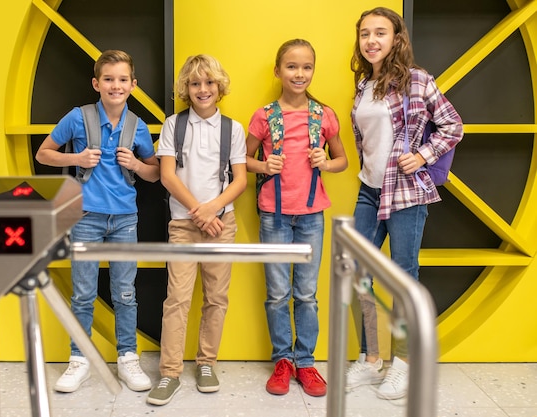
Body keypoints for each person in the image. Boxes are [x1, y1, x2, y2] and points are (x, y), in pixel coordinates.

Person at [345, 7, 463, 400]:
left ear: (397, 38)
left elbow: (453, 125)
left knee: (402, 278)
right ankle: (371, 357)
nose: (371, 41)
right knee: (356, 271)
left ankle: (404, 364)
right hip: (369, 189)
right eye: (365, 34)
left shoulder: (416, 81)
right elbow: (366, 142)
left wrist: (424, 155)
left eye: (380, 33)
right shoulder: (362, 85)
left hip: (406, 194)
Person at [36, 49, 160, 393]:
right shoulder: (78, 118)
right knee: (83, 294)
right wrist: (76, 156)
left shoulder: (137, 127)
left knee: (125, 292)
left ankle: (127, 358)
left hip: (125, 220)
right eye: (108, 79)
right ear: (96, 83)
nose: (115, 85)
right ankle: (79, 360)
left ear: (133, 85)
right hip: (85, 217)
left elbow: (154, 174)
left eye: (122, 80)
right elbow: (43, 153)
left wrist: (136, 166)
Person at [245, 39, 348, 397]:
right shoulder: (263, 115)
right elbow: (243, 161)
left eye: (306, 67)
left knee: (307, 293)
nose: (299, 73)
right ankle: (282, 360)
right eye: (291, 66)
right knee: (277, 293)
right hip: (273, 215)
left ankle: (305, 362)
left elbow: (343, 160)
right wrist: (263, 164)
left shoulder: (324, 115)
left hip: (311, 216)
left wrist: (325, 162)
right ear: (278, 71)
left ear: (313, 71)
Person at [146, 54, 247, 406]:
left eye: (208, 83)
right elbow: (168, 175)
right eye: (194, 84)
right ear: (185, 89)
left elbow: (241, 180)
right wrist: (198, 212)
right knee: (178, 299)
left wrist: (213, 209)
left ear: (219, 87)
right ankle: (170, 372)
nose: (202, 89)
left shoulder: (233, 129)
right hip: (184, 224)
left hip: (222, 222)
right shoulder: (173, 124)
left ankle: (207, 363)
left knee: (216, 297)